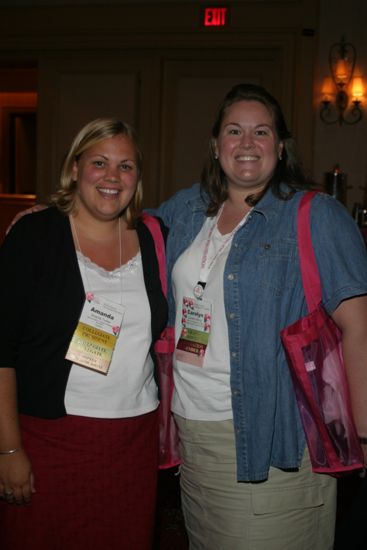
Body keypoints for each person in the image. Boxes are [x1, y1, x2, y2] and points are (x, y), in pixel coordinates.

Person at [150, 83, 367, 549]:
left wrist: (364, 438)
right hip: (192, 436)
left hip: (271, 441)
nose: (247, 143)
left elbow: (359, 330)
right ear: (215, 145)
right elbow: (121, 226)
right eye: (234, 131)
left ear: (281, 146)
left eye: (261, 132)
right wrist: (55, 215)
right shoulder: (189, 210)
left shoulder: (315, 216)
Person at [0, 118, 167, 550]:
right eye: (99, 162)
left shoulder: (155, 238)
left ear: (138, 178)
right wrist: (9, 450)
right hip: (51, 439)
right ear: (75, 169)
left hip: (133, 439)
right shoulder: (36, 235)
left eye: (126, 166)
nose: (113, 177)